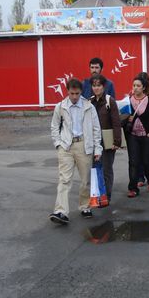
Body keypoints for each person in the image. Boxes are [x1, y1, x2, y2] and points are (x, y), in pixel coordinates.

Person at [49, 78, 102, 225]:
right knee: (64, 179)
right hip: (66, 146)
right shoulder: (60, 106)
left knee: (85, 179)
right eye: (72, 93)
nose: (74, 96)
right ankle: (61, 211)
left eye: (77, 93)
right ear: (67, 92)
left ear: (81, 92)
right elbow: (54, 127)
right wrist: (58, 144)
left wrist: (98, 148)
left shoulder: (89, 106)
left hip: (84, 145)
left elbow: (96, 128)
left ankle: (85, 206)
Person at [125, 73, 149, 197]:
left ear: (143, 87)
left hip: (147, 135)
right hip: (132, 136)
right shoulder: (128, 101)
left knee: (147, 161)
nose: (135, 88)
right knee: (133, 162)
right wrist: (127, 119)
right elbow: (122, 117)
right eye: (134, 85)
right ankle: (133, 188)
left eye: (138, 86)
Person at [89, 74, 122, 202]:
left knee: (107, 168)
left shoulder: (110, 101)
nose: (96, 88)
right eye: (94, 85)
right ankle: (97, 194)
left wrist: (117, 141)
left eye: (99, 85)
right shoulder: (89, 101)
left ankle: (106, 196)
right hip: (93, 141)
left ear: (103, 86)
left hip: (107, 140)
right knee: (95, 167)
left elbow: (116, 123)